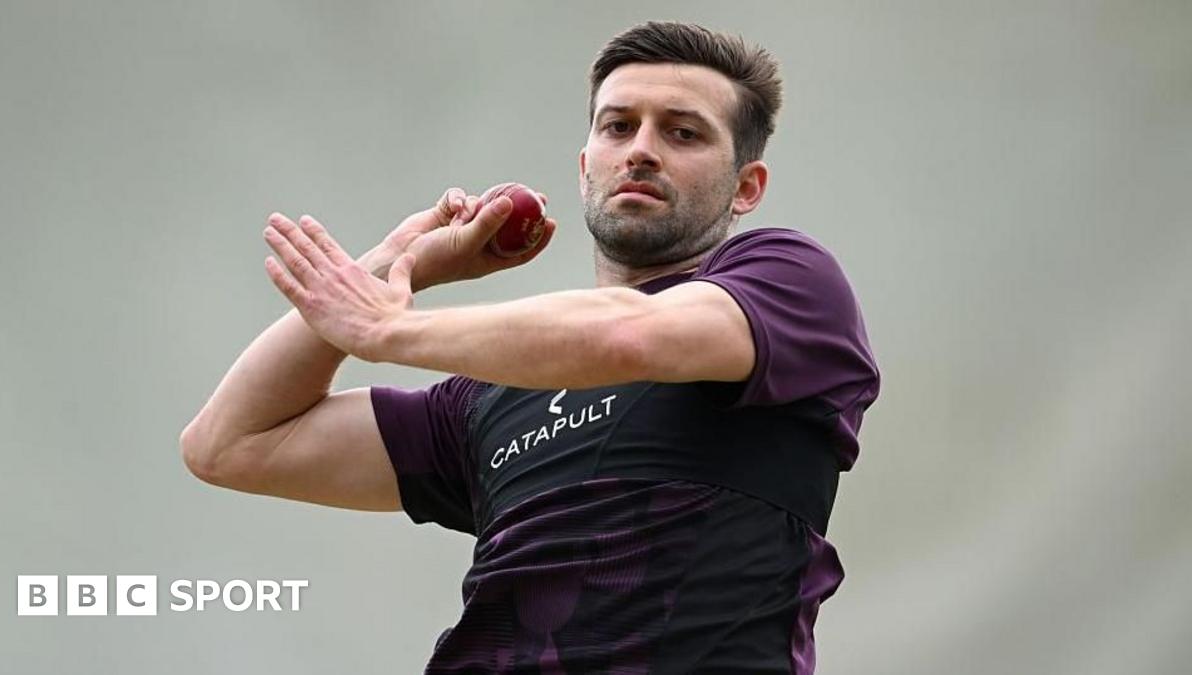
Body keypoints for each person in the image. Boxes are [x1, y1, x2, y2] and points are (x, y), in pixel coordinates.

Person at [180, 20, 880, 674]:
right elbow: (229, 443)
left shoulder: (788, 283)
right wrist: (402, 265)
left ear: (747, 187)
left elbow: (631, 333)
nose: (640, 148)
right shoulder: (486, 395)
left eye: (683, 133)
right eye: (618, 126)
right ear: (585, 167)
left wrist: (389, 330)